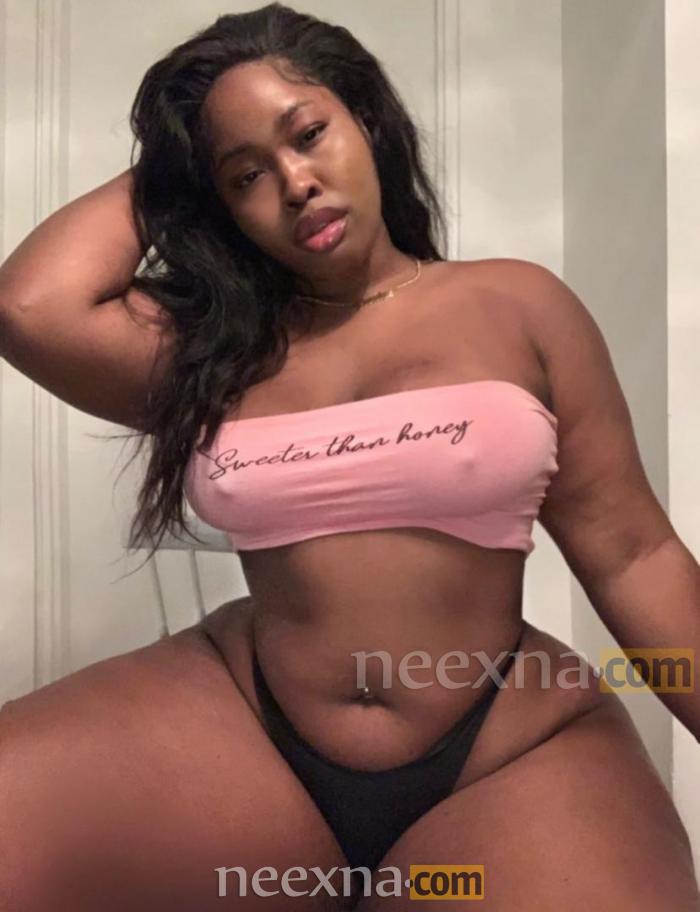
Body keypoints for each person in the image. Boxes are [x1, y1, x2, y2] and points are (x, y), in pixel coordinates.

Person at [0, 4, 698, 910]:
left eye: (308, 134)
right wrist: (183, 152)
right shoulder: (216, 350)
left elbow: (636, 555)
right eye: (247, 174)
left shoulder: (517, 304)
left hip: (505, 749)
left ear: (366, 119)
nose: (295, 183)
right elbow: (30, 306)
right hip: (250, 728)